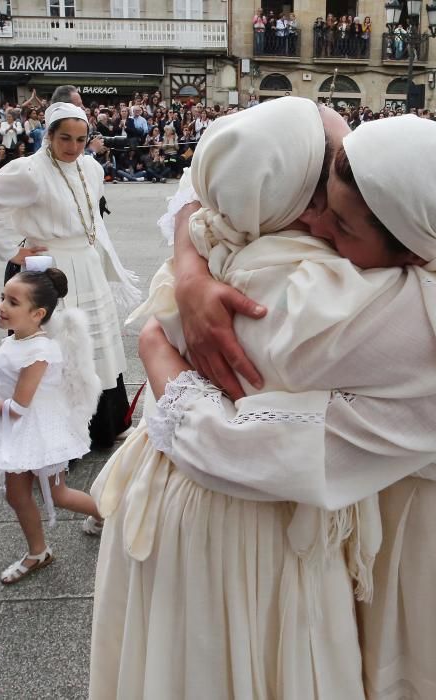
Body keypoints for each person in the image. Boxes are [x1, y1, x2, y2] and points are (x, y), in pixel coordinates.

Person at [133, 112, 436, 698]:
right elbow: (293, 132)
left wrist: (158, 349)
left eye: (338, 222)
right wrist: (188, 270)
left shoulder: (351, 318)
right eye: (316, 199)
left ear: (412, 251)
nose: (315, 224)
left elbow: (244, 447)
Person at [89, 98, 372, 700]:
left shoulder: (219, 233)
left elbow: (198, 188)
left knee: (180, 659)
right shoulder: (321, 288)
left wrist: (181, 285)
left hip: (163, 485)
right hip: (253, 516)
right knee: (266, 655)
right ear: (311, 198)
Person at [0, 102, 140, 447]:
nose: (73, 147)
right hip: (51, 266)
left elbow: (93, 218)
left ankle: (106, 425)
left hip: (87, 265)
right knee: (58, 347)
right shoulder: (29, 170)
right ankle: (58, 434)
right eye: (65, 138)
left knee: (97, 346)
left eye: (80, 139)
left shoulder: (91, 167)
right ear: (48, 135)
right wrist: (13, 251)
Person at [0, 265, 103, 584]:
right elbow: (10, 387)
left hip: (36, 430)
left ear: (37, 314)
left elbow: (21, 406)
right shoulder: (20, 340)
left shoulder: (38, 351)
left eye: (12, 302)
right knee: (17, 494)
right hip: (16, 428)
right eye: (2, 297)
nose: (2, 306)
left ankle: (109, 515)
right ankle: (38, 551)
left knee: (59, 494)